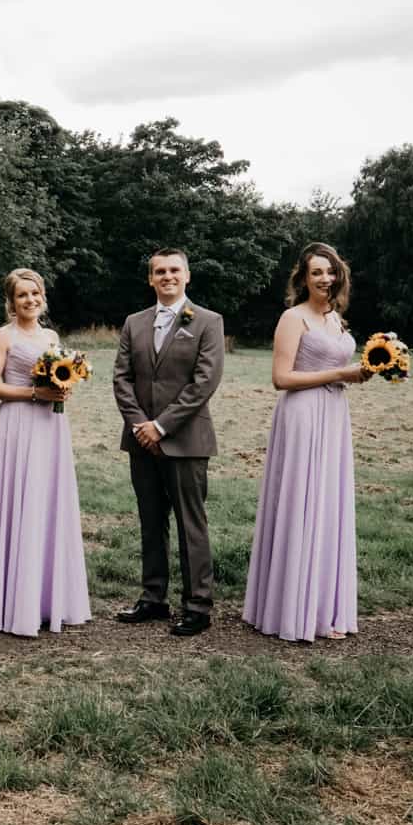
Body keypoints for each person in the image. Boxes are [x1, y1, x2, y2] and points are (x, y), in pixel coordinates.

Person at [243, 243, 369, 642]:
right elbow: (282, 378)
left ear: (339, 276)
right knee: (302, 501)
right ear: (303, 279)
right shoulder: (292, 318)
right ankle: (290, 608)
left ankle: (324, 606)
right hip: (301, 415)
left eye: (330, 272)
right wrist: (341, 375)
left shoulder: (336, 319)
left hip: (334, 416)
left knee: (328, 504)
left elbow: (342, 368)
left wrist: (362, 372)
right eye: (316, 272)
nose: (325, 279)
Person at [0, 269, 91, 637]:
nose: (30, 300)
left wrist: (63, 388)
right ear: (11, 301)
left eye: (35, 294)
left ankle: (46, 598)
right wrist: (37, 394)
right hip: (18, 425)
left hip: (50, 427)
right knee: (18, 500)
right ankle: (9, 601)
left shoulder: (51, 336)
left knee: (47, 503)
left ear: (43, 296)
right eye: (22, 295)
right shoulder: (2, 336)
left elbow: (58, 376)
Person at [112, 248, 224, 637]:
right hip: (140, 439)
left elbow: (204, 383)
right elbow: (122, 378)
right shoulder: (133, 323)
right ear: (150, 279)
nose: (167, 276)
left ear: (187, 276)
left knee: (191, 523)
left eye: (174, 270)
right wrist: (141, 425)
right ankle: (153, 597)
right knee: (150, 520)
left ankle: (197, 605)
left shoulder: (209, 322)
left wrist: (161, 426)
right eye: (159, 271)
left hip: (186, 440)